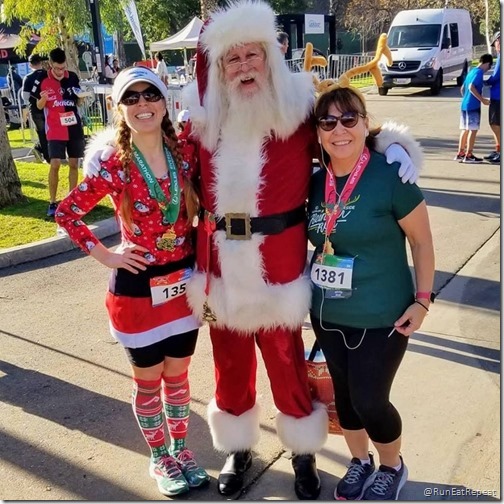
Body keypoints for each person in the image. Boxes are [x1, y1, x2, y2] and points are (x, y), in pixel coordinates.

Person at [82, 2, 421, 499]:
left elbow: (343, 137)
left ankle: (302, 453)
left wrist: (389, 145)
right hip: (218, 262)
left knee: (285, 359)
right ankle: (238, 450)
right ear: (219, 68)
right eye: (232, 59)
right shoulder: (201, 124)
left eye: (251, 56)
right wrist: (103, 155)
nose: (243, 66)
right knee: (230, 362)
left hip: (279, 263)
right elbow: (152, 149)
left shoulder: (299, 114)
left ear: (270, 57)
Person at [55, 66, 209, 497]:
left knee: (178, 377)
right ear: (119, 108)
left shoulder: (186, 154)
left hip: (182, 284)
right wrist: (107, 256)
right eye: (132, 98)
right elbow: (67, 213)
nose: (143, 104)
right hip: (137, 292)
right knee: (149, 380)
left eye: (150, 95)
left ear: (165, 101)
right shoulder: (114, 164)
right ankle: (160, 458)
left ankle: (180, 450)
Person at [307, 83, 435, 501]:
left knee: (370, 400)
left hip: (383, 315)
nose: (338, 129)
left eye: (349, 119)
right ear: (319, 132)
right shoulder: (314, 182)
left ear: (365, 125)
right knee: (343, 399)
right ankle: (359, 462)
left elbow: (422, 242)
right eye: (328, 121)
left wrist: (422, 300)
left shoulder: (390, 175)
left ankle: (392, 466)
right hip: (328, 315)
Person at [36, 48, 86, 218]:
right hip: (55, 128)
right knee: (55, 164)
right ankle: (52, 202)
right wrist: (43, 100)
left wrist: (81, 98)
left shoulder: (71, 77)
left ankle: (72, 201)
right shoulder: (42, 79)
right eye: (57, 68)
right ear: (50, 65)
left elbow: (78, 101)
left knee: (74, 164)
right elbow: (39, 106)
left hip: (73, 126)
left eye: (63, 68)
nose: (60, 72)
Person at [454, 53, 493, 163]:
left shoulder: (471, 71)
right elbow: (471, 87)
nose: (488, 69)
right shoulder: (479, 73)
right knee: (473, 130)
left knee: (465, 129)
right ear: (487, 63)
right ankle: (469, 154)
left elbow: (463, 88)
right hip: (473, 106)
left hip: (464, 105)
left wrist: (466, 98)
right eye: (489, 66)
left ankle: (460, 153)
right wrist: (482, 99)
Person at [22, 54, 49, 163]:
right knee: (53, 130)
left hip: (36, 109)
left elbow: (25, 96)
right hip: (50, 107)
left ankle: (47, 156)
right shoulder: (48, 75)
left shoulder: (28, 78)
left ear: (30, 64)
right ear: (41, 62)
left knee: (42, 133)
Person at [484, 31, 500, 163]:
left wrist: (485, 81)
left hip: (498, 96)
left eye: (495, 43)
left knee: (495, 124)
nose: (495, 47)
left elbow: (496, 77)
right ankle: (498, 149)